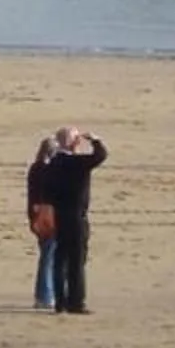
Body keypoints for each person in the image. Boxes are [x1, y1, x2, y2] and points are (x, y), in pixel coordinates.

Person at [35, 126, 107, 315]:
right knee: (76, 261)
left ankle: (60, 302)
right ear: (74, 143)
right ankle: (75, 302)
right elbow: (100, 156)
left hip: (59, 217)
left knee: (60, 260)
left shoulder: (53, 164)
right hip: (75, 217)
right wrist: (95, 140)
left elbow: (45, 192)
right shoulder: (76, 163)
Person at [24, 137, 60, 310]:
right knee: (49, 256)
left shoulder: (35, 167)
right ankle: (45, 296)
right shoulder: (47, 169)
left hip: (36, 216)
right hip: (47, 216)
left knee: (47, 254)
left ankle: (44, 295)